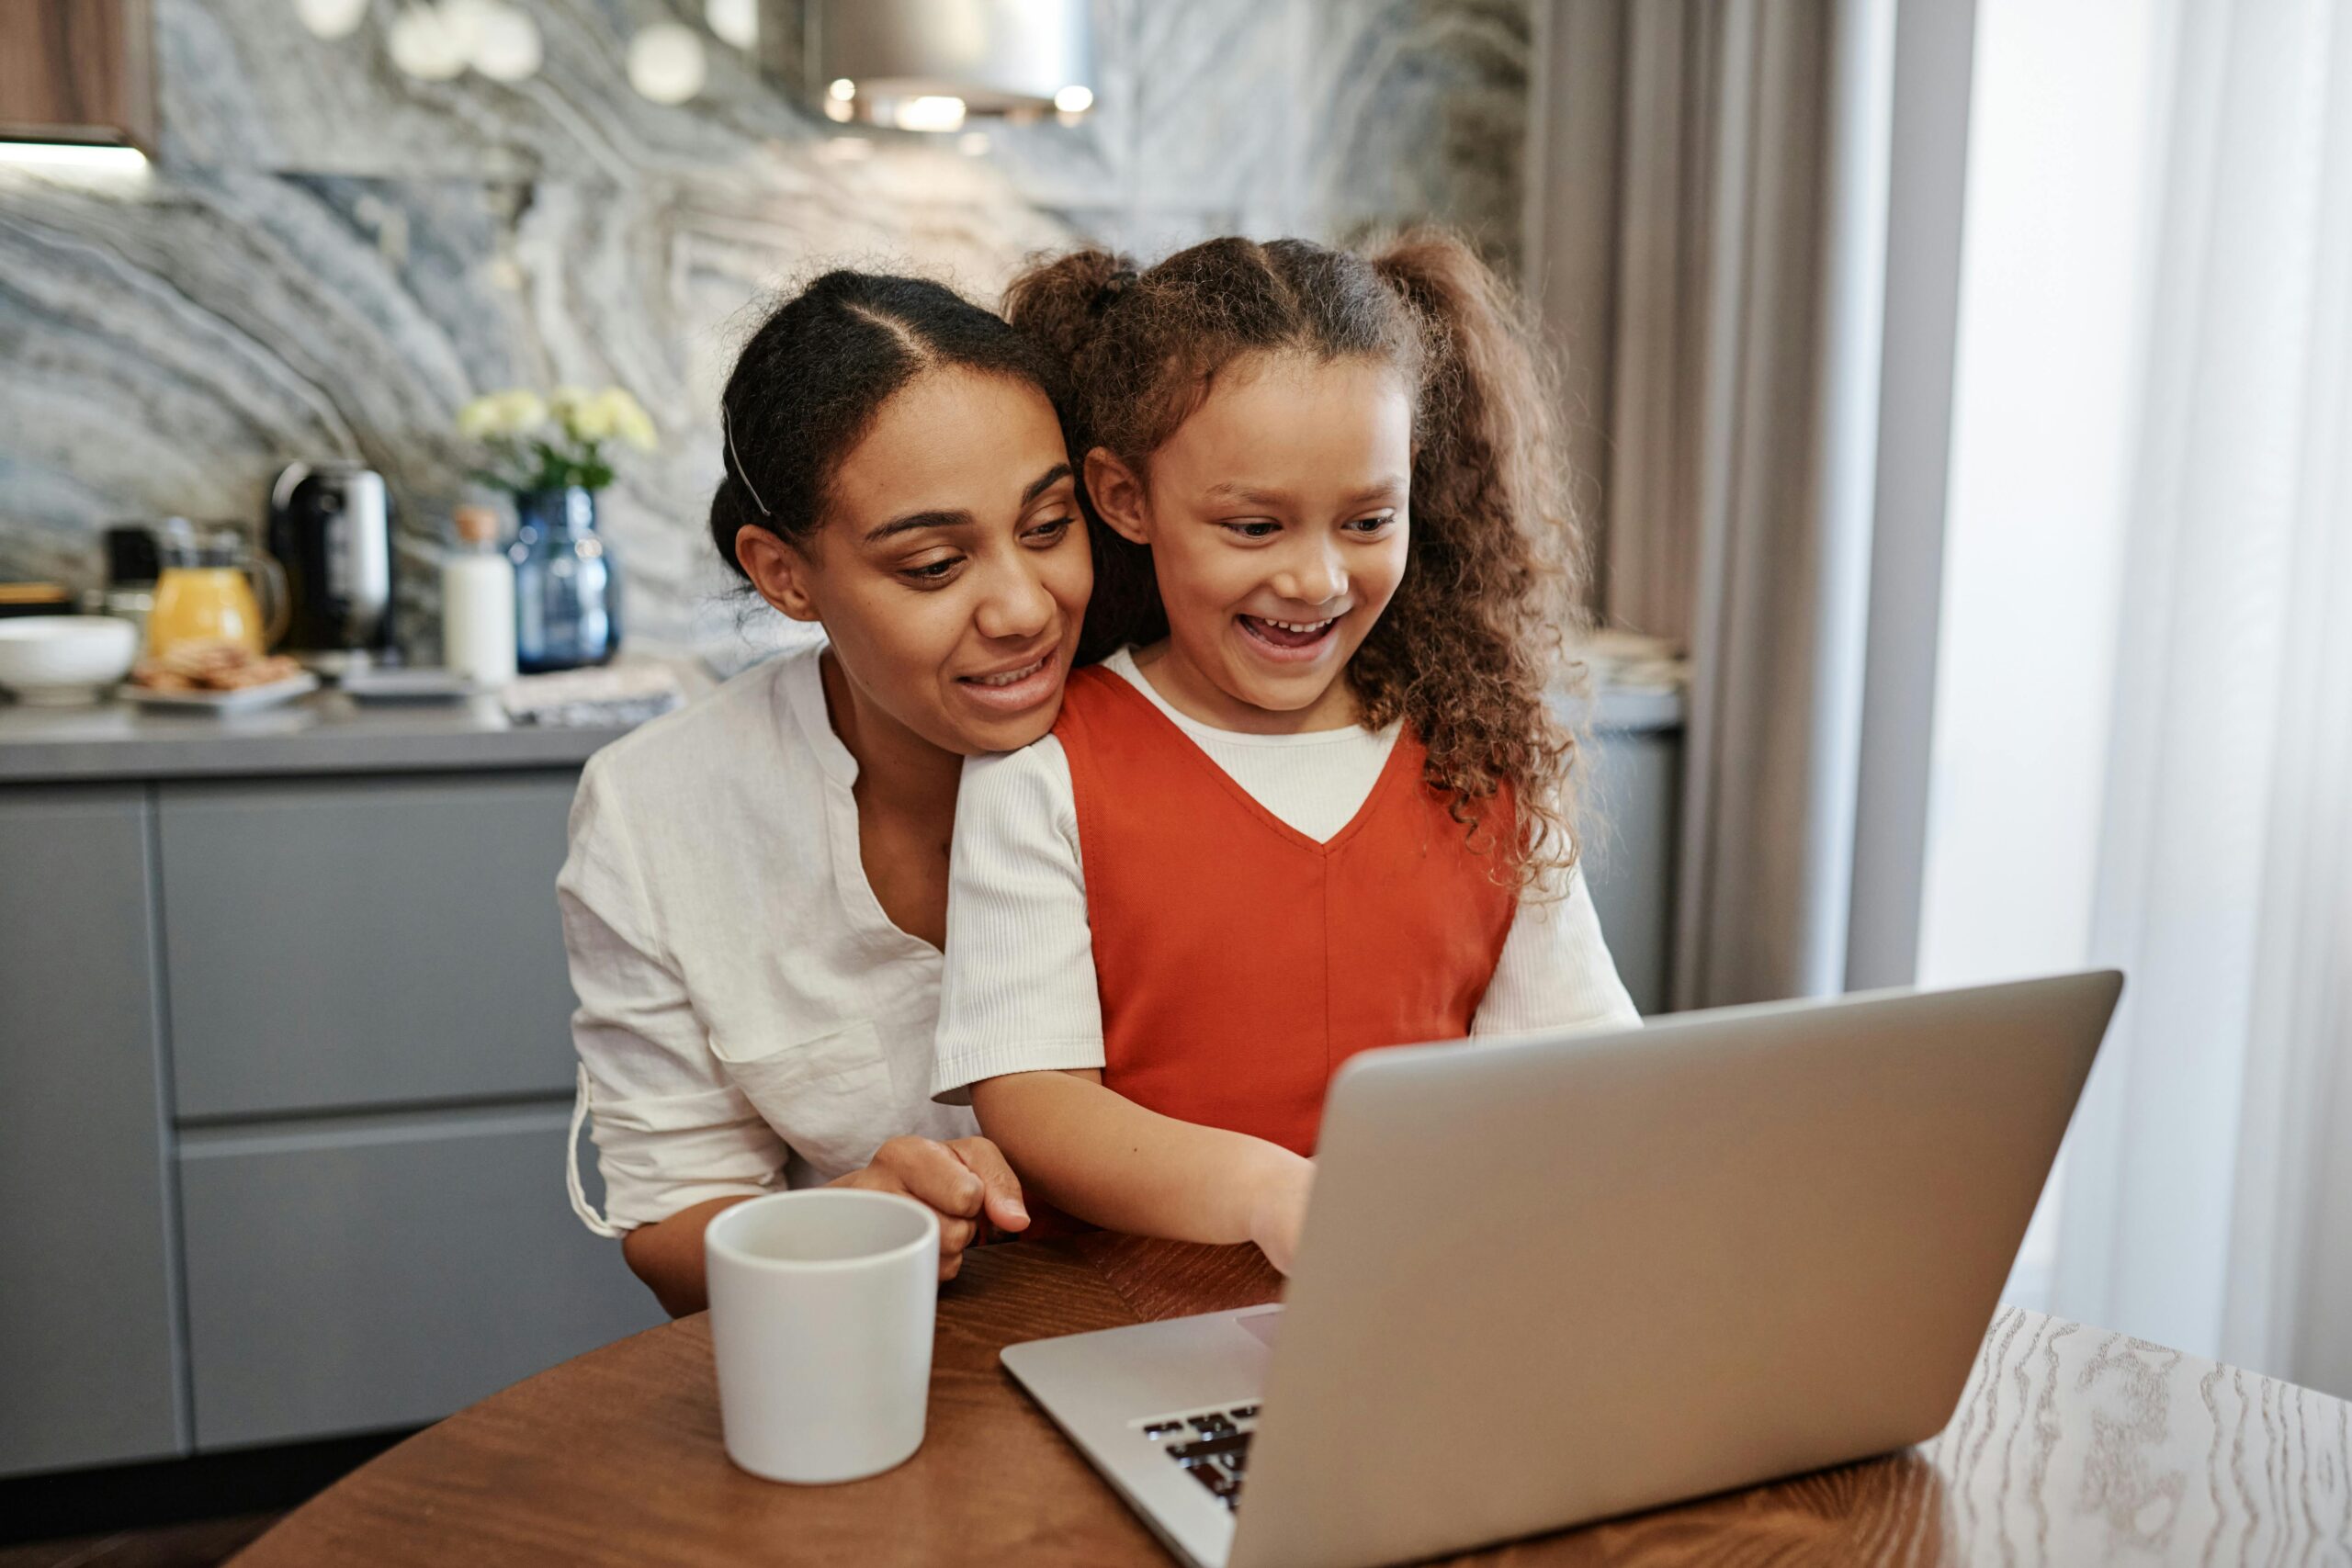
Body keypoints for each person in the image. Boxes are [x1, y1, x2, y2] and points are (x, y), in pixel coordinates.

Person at [931, 232, 1639, 1273]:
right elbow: (1033, 1102)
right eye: (1254, 527)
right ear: (1125, 500)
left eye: (1366, 520)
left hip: (1423, 1290)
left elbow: (1579, 1065)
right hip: (1127, 1316)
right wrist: (1271, 1194)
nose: (1315, 580)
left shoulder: (1480, 757)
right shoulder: (1042, 773)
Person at [560, 271, 1096, 1316]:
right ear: (783, 575)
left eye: (1047, 526)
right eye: (935, 565)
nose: (1025, 608)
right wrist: (841, 1227)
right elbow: (672, 1221)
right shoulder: (659, 809)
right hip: (881, 1363)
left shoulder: (1188, 733)